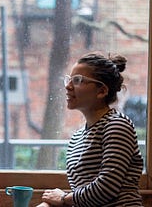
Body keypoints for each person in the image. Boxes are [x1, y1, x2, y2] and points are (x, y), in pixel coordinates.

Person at [37, 52, 143, 207]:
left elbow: (106, 188)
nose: (68, 86)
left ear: (102, 91)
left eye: (77, 80)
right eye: (69, 79)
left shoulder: (117, 126)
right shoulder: (77, 138)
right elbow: (83, 194)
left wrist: (64, 198)